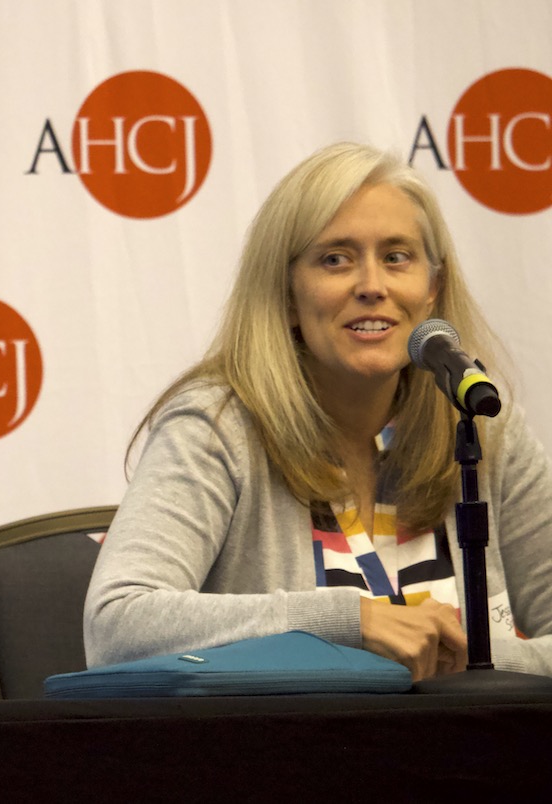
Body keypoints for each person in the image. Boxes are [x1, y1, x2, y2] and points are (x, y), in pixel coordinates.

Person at [84, 142, 552, 682]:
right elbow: (115, 626)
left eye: (396, 257)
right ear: (286, 295)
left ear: (431, 290)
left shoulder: (481, 425)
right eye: (336, 259)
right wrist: (347, 624)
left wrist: (470, 661)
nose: (372, 286)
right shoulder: (217, 429)